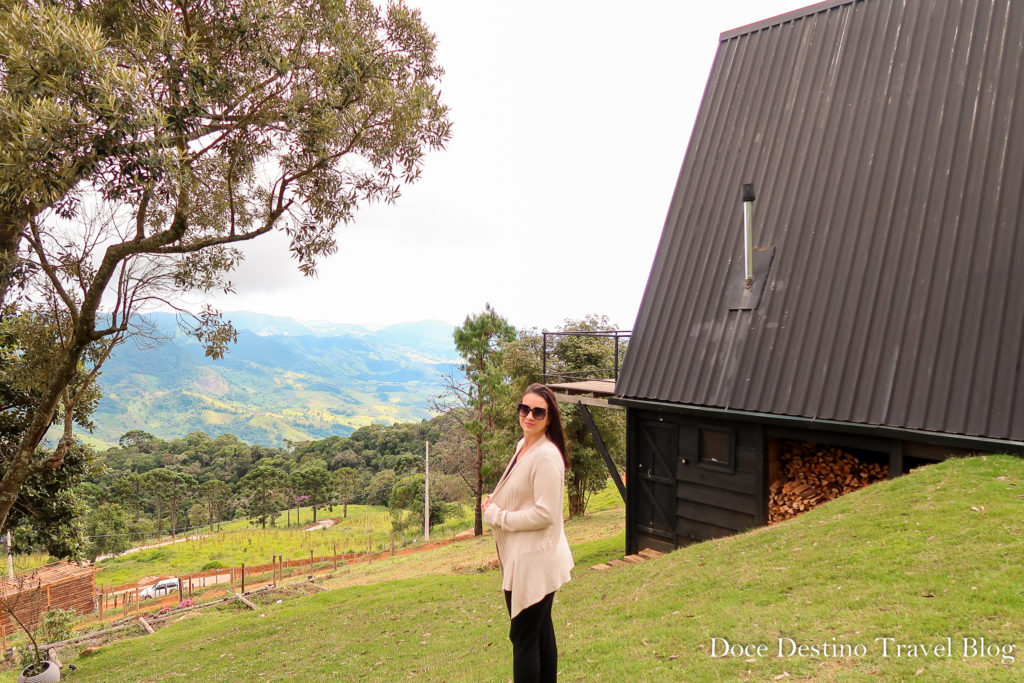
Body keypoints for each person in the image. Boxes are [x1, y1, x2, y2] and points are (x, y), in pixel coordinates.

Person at [482, 383, 574, 682]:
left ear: (550, 417)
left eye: (538, 411)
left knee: (522, 638)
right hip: (527, 557)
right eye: (524, 409)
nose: (529, 416)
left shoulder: (546, 456)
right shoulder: (523, 446)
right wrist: (494, 501)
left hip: (535, 560)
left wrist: (498, 516)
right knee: (539, 630)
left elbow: (546, 514)